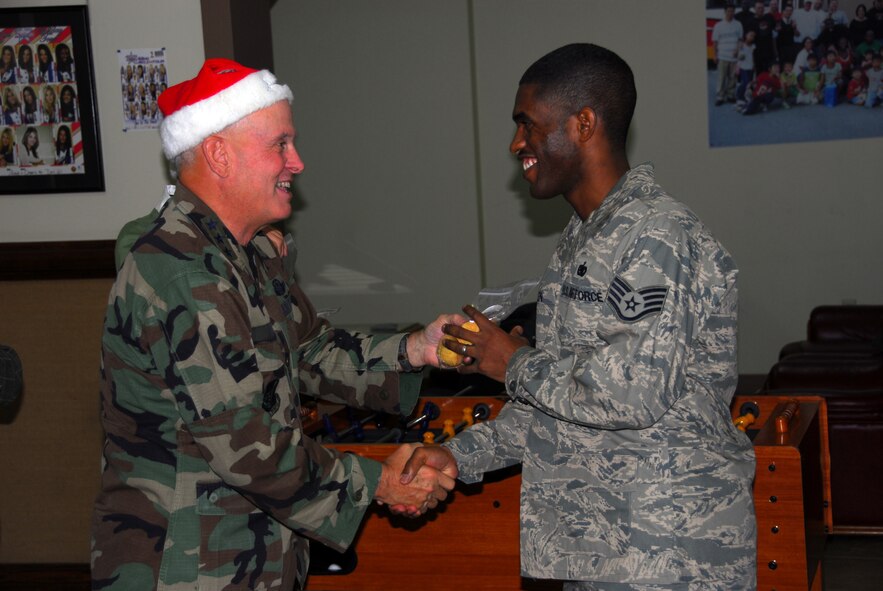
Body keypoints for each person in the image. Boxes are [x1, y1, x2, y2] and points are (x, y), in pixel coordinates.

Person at [91, 58, 460, 590]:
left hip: (248, 555)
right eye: (280, 144)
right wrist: (379, 484)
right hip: (183, 566)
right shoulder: (182, 270)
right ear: (219, 153)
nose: (298, 162)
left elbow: (308, 351)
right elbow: (246, 442)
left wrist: (413, 351)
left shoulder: (245, 254)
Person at [401, 43, 756, 590]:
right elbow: (560, 408)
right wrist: (456, 456)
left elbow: (633, 393)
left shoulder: (657, 234)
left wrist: (514, 361)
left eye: (527, 124)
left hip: (667, 553)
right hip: (595, 551)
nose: (516, 144)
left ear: (584, 123)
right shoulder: (579, 242)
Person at [712, 5, 744, 105]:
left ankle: (730, 95)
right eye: (729, 11)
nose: (731, 13)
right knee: (721, 77)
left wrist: (737, 50)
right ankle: (720, 96)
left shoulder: (738, 24)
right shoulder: (718, 25)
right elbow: (715, 42)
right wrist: (714, 55)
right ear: (725, 12)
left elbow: (740, 40)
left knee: (732, 77)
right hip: (722, 55)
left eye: (732, 11)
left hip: (734, 57)